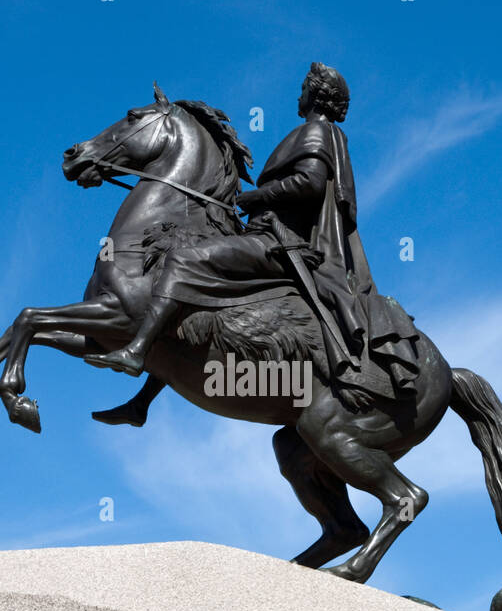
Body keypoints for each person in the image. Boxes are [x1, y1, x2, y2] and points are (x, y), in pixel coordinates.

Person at [86, 62, 419, 416]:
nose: (299, 93)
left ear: (317, 94)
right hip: (273, 235)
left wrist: (256, 197)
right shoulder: (322, 134)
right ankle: (141, 403)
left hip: (280, 242)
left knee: (184, 261)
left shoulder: (316, 132)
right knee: (199, 299)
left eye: (305, 87)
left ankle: (137, 351)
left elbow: (310, 182)